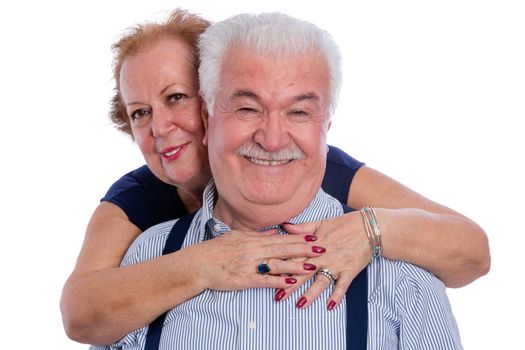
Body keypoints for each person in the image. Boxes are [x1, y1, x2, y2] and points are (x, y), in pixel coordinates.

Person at [60, 9, 489, 346]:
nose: (160, 126)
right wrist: (206, 262)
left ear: (208, 102)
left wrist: (369, 230)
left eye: (176, 98)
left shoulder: (328, 171)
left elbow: (471, 250)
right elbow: (81, 312)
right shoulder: (139, 211)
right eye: (140, 113)